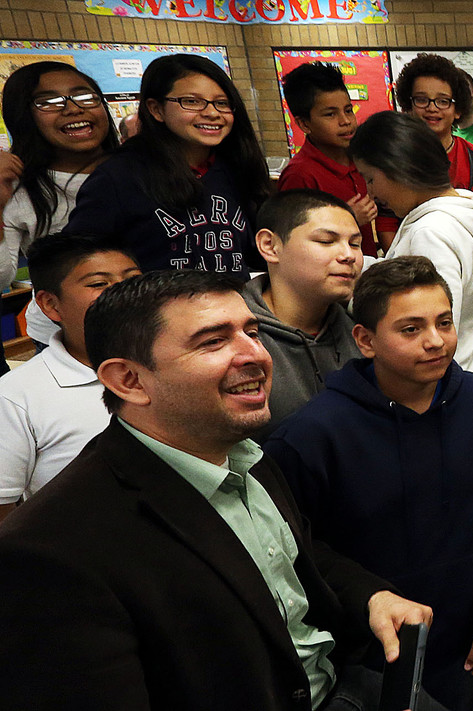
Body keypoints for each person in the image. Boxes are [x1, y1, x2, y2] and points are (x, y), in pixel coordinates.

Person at [0, 269, 445, 710]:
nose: (256, 355)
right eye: (213, 341)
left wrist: (371, 594)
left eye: (251, 331)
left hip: (339, 685)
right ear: (129, 380)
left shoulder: (241, 450)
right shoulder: (53, 549)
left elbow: (289, 556)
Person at [265, 257, 473, 710]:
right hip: (366, 647)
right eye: (410, 329)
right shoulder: (311, 436)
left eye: (444, 322)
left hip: (463, 628)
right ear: (365, 339)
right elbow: (299, 549)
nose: (435, 341)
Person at [349, 110, 473, 398]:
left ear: (399, 170)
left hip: (454, 392)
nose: (371, 192)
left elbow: (432, 327)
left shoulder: (431, 232)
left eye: (371, 178)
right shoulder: (460, 212)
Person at [66, 54, 270, 277]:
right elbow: (77, 263)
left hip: (232, 307)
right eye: (192, 101)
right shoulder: (118, 177)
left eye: (222, 103)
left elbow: (255, 254)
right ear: (156, 109)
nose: (212, 113)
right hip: (154, 309)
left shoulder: (238, 168)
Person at [0, 233, 139, 523]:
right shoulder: (15, 397)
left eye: (132, 278)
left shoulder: (177, 365)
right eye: (99, 284)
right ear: (51, 304)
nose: (123, 292)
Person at [1, 61, 120, 351]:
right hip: (64, 336)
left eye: (85, 96)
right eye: (49, 102)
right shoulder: (16, 185)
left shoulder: (141, 168)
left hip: (153, 320)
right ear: (24, 116)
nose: (73, 109)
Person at [243, 189, 364, 440]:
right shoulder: (234, 339)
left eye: (355, 244)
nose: (348, 255)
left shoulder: (363, 331)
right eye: (326, 241)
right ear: (270, 246)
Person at [276, 61, 396, 256]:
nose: (346, 121)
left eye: (348, 110)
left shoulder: (363, 161)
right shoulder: (300, 174)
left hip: (367, 270)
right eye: (330, 114)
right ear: (304, 124)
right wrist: (347, 219)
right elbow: (294, 242)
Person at [395, 53, 473, 207]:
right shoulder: (394, 159)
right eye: (421, 100)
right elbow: (387, 222)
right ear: (409, 106)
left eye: (443, 101)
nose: (432, 108)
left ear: (457, 110)